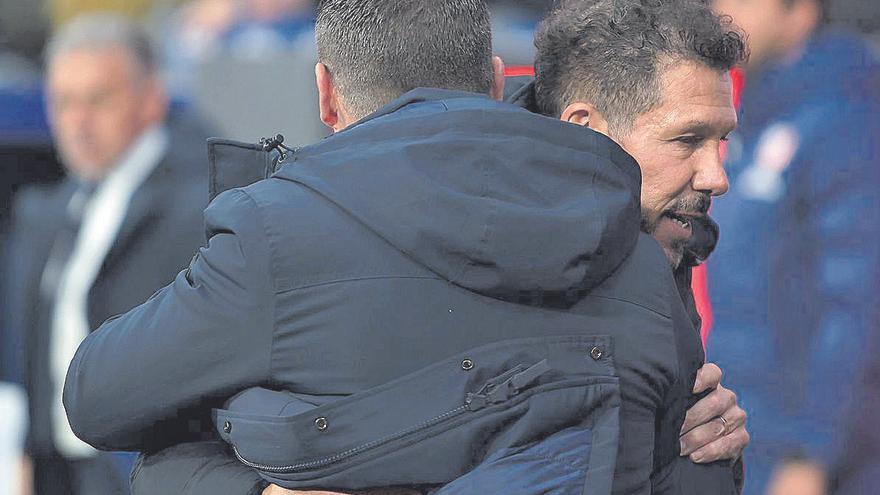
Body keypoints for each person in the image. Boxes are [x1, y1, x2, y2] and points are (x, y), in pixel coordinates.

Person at [65, 1, 747, 494]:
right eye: (691, 140)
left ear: (327, 94)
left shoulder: (275, 234)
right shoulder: (638, 253)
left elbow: (95, 399)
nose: (713, 173)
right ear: (492, 79)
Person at [1, 12, 210, 494]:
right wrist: (26, 450)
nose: (78, 121)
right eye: (64, 102)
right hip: (59, 466)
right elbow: (28, 343)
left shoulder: (200, 203)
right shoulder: (46, 210)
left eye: (98, 100)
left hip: (146, 467)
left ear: (151, 98)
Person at [705, 0, 880, 493]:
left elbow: (859, 301)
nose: (721, 8)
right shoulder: (755, 114)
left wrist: (812, 453)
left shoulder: (849, 115)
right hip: (747, 437)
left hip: (820, 460)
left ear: (799, 11)